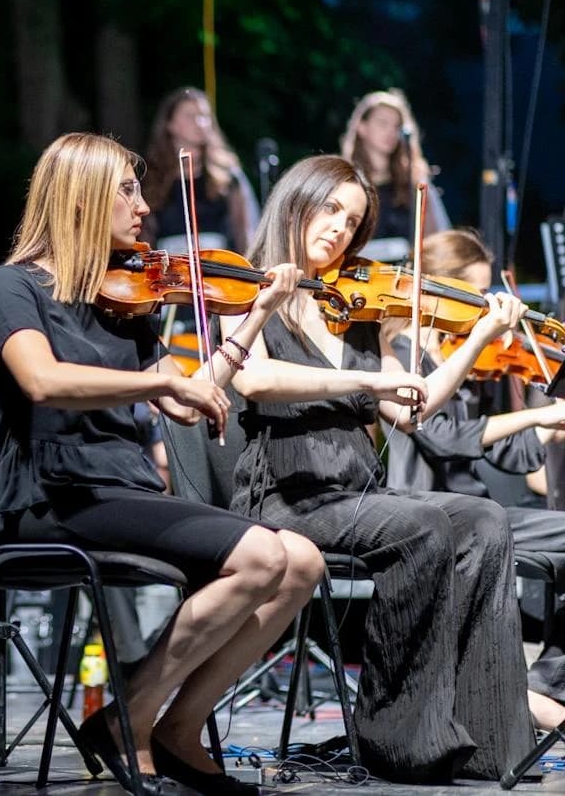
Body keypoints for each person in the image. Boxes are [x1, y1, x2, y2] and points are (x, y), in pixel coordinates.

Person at [0, 131, 324, 796]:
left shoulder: (125, 302)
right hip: (53, 497)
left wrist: (257, 314)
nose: (143, 206)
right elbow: (43, 380)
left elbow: (195, 401)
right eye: (128, 190)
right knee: (260, 557)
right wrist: (161, 385)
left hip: (122, 492)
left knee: (300, 561)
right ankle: (128, 722)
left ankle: (176, 726)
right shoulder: (10, 287)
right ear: (80, 198)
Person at [228, 154, 534, 782]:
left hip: (355, 498)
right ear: (296, 201)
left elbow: (413, 411)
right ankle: (397, 739)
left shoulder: (356, 307)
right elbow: (254, 379)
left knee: (483, 518)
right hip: (286, 497)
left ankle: (486, 741)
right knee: (420, 525)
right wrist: (362, 375)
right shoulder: (247, 287)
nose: (340, 229)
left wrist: (477, 337)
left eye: (354, 220)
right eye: (331, 209)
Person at [382, 228, 565, 730]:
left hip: (483, 509)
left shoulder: (465, 355)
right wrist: (533, 419)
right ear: (440, 287)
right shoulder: (398, 350)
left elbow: (513, 453)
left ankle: (542, 684)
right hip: (426, 509)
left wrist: (546, 414)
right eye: (476, 293)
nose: (484, 306)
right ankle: (530, 698)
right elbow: (440, 436)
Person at [141, 87, 260, 253]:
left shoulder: (227, 176)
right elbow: (145, 239)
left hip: (220, 270)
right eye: (190, 116)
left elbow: (245, 234)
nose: (200, 123)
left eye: (204, 116)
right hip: (169, 273)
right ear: (170, 124)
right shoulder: (151, 178)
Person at [340, 88, 451, 255]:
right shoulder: (344, 180)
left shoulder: (413, 181)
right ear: (362, 127)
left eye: (397, 126)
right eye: (382, 123)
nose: (391, 132)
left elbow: (436, 238)